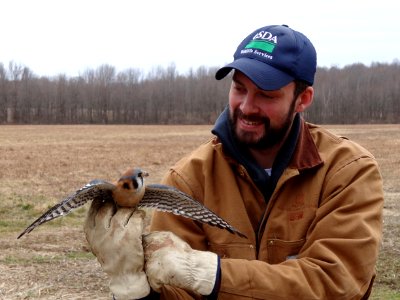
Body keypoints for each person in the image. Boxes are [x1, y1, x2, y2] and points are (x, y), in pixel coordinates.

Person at [84, 25, 384, 299]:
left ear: (303, 99)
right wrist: (133, 289)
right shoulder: (190, 179)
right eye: (239, 88)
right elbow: (176, 293)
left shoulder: (348, 170)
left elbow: (335, 283)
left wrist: (212, 274)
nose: (246, 106)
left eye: (266, 95)